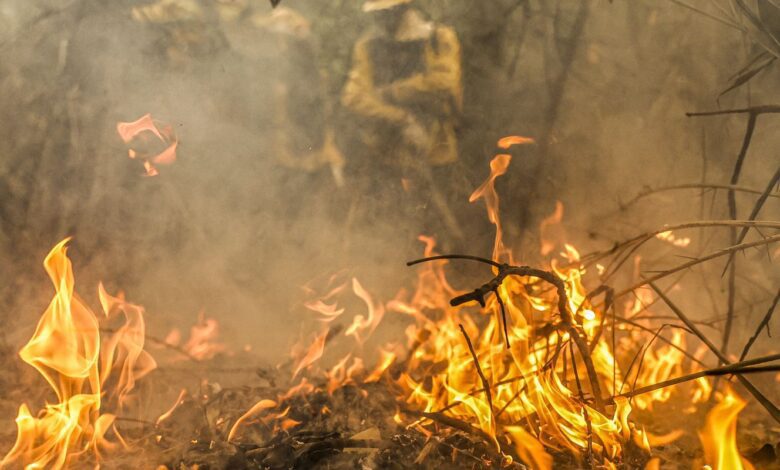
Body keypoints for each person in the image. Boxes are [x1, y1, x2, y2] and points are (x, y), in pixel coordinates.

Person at [341, 0, 464, 242]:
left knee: (441, 230)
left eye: (386, 12)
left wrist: (393, 92)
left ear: (404, 8)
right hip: (384, 152)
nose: (381, 19)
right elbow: (354, 96)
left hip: (436, 151)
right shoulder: (368, 46)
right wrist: (402, 118)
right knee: (387, 230)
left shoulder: (438, 39)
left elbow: (444, 82)